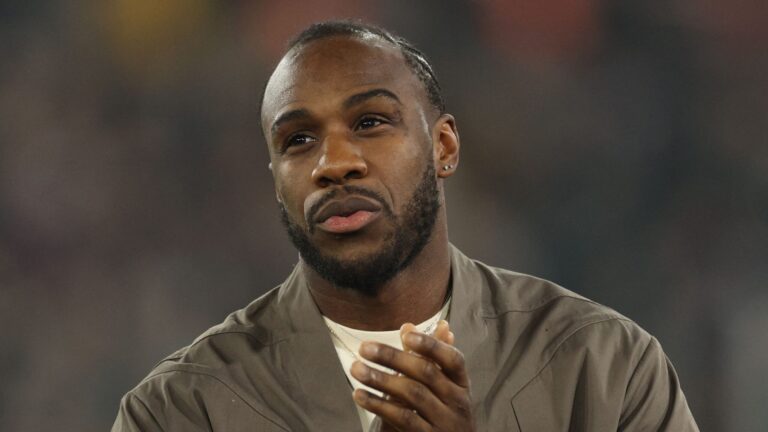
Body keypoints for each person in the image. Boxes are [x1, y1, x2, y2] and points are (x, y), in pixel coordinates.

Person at [112, 21, 699, 431]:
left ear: (444, 146)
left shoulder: (604, 367)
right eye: (299, 140)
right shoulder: (179, 410)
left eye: (370, 122)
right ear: (276, 180)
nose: (334, 163)